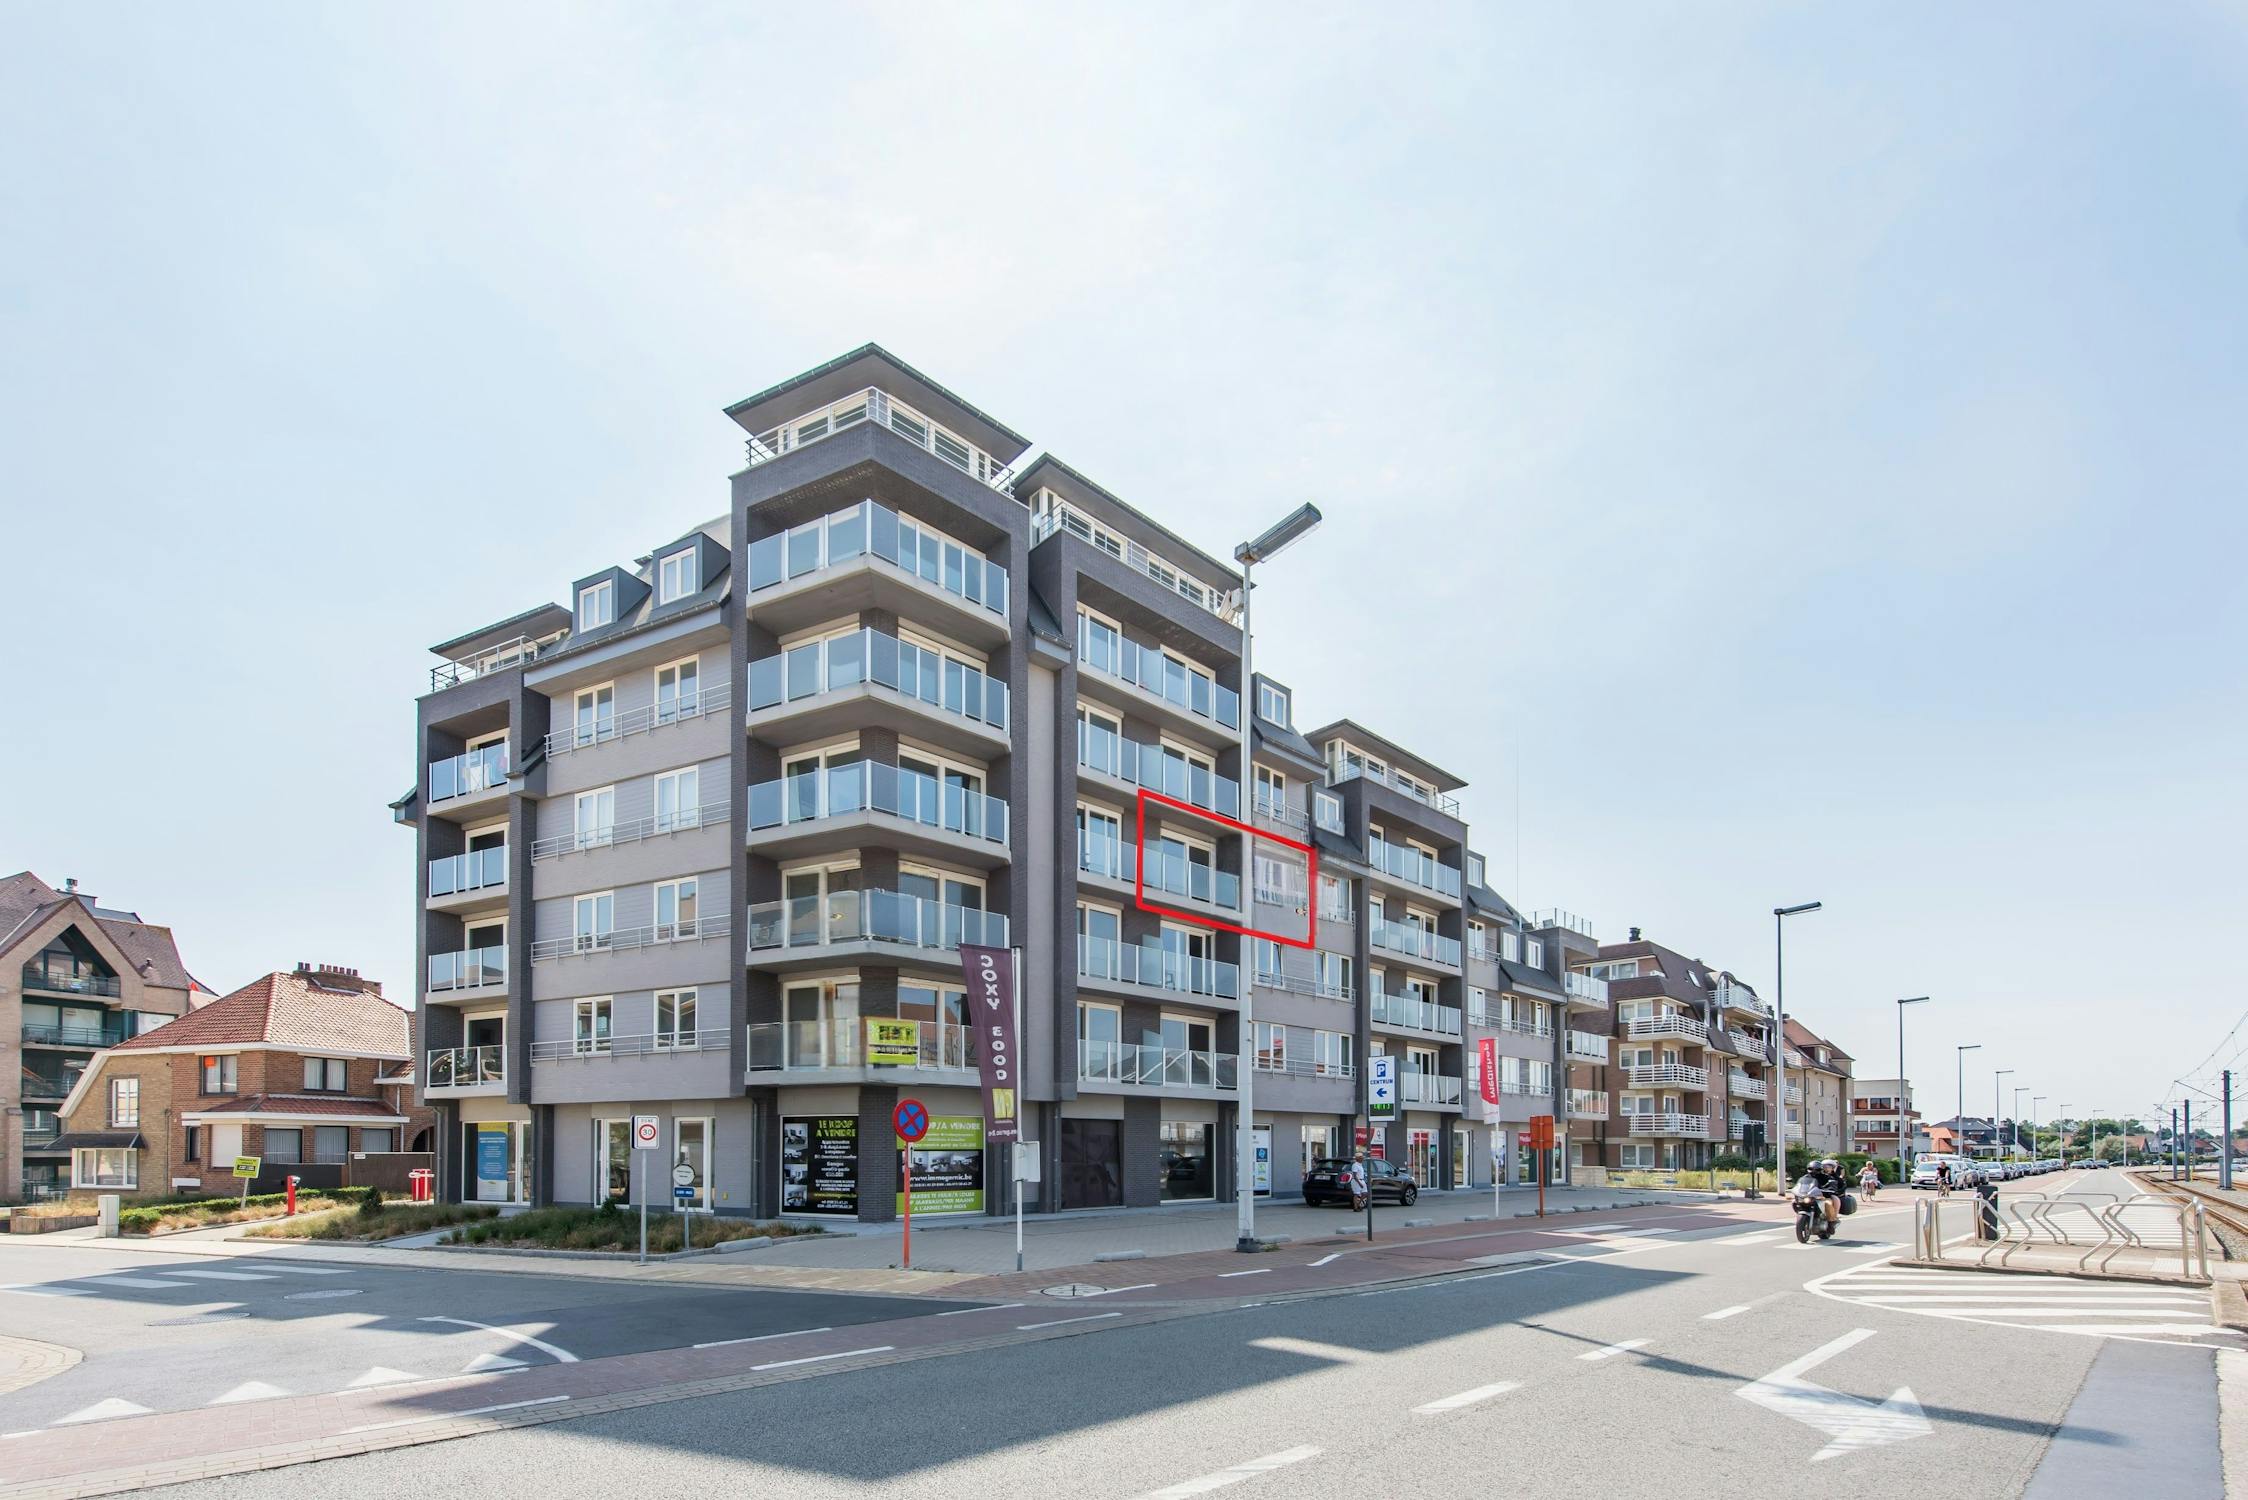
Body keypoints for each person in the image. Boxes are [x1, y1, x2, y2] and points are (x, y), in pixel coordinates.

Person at [1811, 1156, 1846, 1228]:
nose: (1826, 1168)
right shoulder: (1818, 1175)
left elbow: (1841, 1185)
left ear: (1832, 1168)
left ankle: (1833, 1218)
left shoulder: (1834, 1177)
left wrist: (1836, 1190)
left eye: (1828, 1167)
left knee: (1835, 1198)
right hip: (1816, 1194)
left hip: (1828, 1194)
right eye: (1824, 1166)